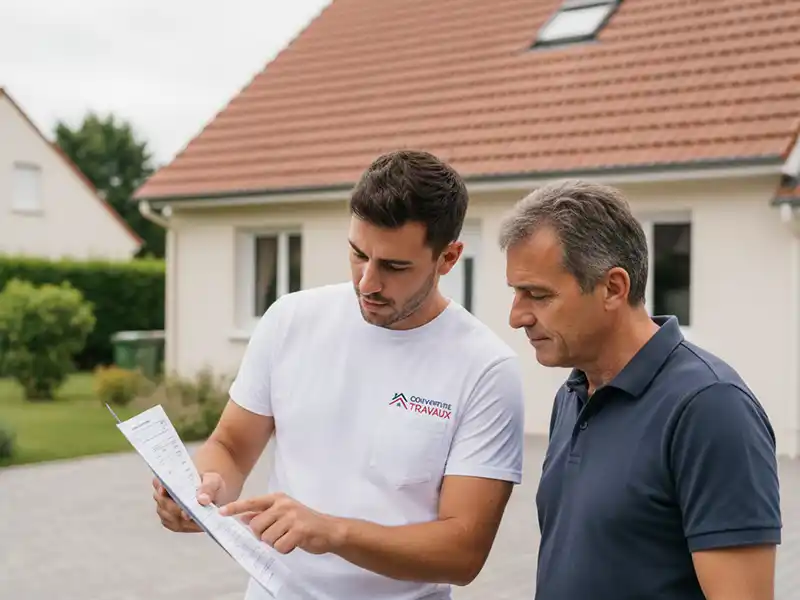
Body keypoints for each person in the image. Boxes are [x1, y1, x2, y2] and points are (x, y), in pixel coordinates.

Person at [152, 149, 526, 600]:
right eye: (357, 254)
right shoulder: (290, 320)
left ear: (448, 258)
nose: (367, 282)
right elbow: (231, 446)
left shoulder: (486, 370)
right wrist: (203, 489)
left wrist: (332, 532)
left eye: (394, 266)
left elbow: (462, 552)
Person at [498, 180, 781, 600]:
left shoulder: (711, 409)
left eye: (538, 295)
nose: (517, 316)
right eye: (516, 293)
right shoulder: (573, 395)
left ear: (613, 287)